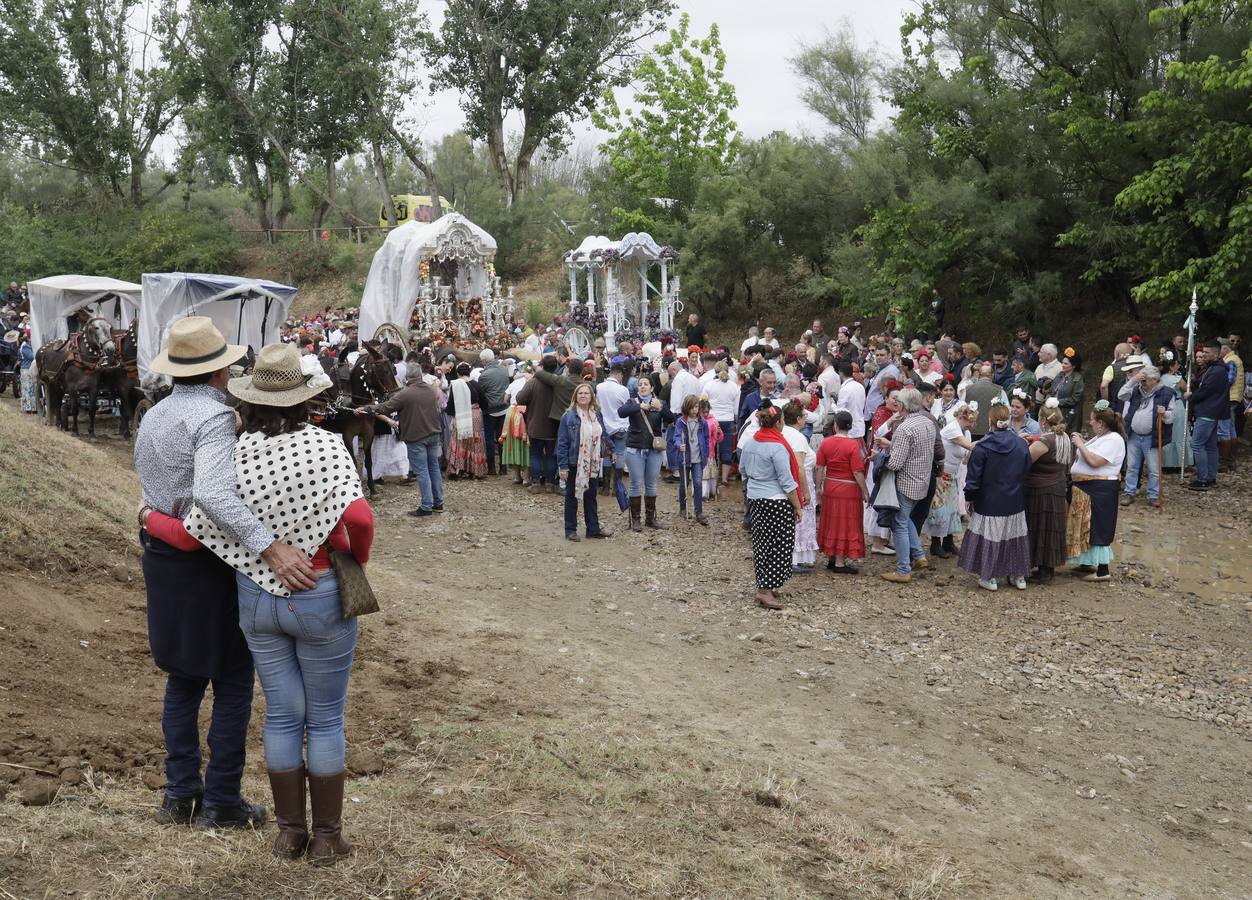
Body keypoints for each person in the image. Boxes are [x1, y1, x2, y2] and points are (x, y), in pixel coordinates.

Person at [145, 343, 372, 865]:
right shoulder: (325, 445)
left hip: (255, 596)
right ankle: (327, 837)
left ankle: (290, 832)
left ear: (249, 400)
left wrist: (147, 514)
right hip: (316, 589)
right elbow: (359, 520)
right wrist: (356, 559)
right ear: (305, 399)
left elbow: (200, 522)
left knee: (283, 717)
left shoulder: (234, 450)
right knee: (326, 718)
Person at [135, 318, 317, 832]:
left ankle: (179, 795)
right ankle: (221, 802)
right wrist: (271, 545)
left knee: (183, 679)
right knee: (233, 680)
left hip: (164, 553)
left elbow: (147, 487)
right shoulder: (216, 419)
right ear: (219, 372)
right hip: (207, 563)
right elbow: (213, 495)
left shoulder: (155, 414)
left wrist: (151, 518)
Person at [957, 402, 1032, 591]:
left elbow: (973, 477)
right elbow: (1026, 469)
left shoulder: (982, 446)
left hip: (989, 501)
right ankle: (1019, 576)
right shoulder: (1020, 444)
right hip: (1014, 499)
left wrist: (969, 497)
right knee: (1014, 537)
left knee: (990, 538)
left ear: (990, 421)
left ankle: (989, 576)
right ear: (1008, 420)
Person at [739, 405, 803, 610]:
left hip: (756, 497)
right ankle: (766, 589)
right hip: (776, 500)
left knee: (761, 543)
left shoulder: (751, 442)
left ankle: (765, 584)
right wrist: (797, 505)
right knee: (780, 545)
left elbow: (743, 470)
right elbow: (787, 481)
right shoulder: (777, 447)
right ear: (777, 423)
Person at [361, 368, 445, 517]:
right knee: (434, 468)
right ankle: (438, 503)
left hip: (416, 436)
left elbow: (384, 408)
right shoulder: (432, 390)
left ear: (408, 378)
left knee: (422, 471)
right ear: (420, 375)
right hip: (434, 433)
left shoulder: (406, 394)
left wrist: (366, 408)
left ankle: (426, 506)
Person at [880, 387, 936, 584]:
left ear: (902, 405)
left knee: (900, 523)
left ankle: (903, 569)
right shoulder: (927, 422)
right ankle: (919, 554)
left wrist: (881, 459)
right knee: (906, 518)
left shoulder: (905, 427)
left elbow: (895, 463)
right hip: (923, 479)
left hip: (906, 482)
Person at [1066, 403, 1127, 581]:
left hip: (1100, 489)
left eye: (1092, 420)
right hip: (1088, 487)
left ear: (1100, 422)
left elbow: (1095, 461)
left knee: (1099, 526)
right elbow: (1090, 452)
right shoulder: (1101, 437)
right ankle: (1086, 562)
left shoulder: (1114, 439)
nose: (1090, 423)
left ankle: (1103, 570)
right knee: (1086, 525)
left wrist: (1079, 444)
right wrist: (1083, 443)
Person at [1024, 399, 1073, 584]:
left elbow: (1025, 460)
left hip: (1040, 490)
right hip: (1058, 486)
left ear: (1042, 421)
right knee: (1052, 528)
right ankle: (1048, 568)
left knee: (1039, 527)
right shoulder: (1064, 437)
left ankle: (1041, 569)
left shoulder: (1044, 441)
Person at [556, 382, 613, 541]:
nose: (583, 396)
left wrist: (611, 450)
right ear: (575, 396)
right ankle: (570, 530)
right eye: (580, 393)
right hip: (575, 462)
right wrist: (563, 466)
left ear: (591, 396)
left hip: (593, 462)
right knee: (572, 497)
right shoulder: (568, 416)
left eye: (586, 393)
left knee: (591, 496)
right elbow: (562, 442)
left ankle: (593, 529)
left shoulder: (597, 414)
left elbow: (604, 435)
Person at [618, 376, 675, 531]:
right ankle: (636, 520)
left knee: (651, 484)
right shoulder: (632, 402)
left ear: (652, 388)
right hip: (634, 448)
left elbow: (672, 419)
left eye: (645, 384)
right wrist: (639, 407)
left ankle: (650, 519)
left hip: (653, 449)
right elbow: (621, 412)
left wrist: (662, 408)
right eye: (640, 385)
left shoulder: (659, 403)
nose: (642, 387)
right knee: (636, 483)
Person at [815, 410, 869, 573]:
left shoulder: (826, 442)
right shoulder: (853, 445)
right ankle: (840, 562)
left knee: (831, 521)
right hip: (848, 489)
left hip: (831, 485)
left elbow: (819, 467)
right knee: (846, 523)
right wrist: (865, 491)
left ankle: (831, 557)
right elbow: (857, 472)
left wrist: (818, 487)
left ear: (835, 425)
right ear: (850, 426)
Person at [1118, 363, 1175, 506]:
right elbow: (1121, 395)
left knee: (1154, 469)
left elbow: (1172, 417)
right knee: (1132, 466)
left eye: (1144, 380)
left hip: (1152, 437)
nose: (1142, 382)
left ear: (1154, 380)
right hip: (1134, 435)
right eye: (1141, 380)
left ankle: (1153, 495)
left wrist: (1165, 413)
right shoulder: (1136, 389)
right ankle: (1129, 492)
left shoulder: (1167, 393)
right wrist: (1133, 380)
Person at [924, 401, 975, 559]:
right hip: (942, 474)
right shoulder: (953, 429)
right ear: (962, 417)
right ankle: (935, 543)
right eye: (971, 421)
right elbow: (970, 447)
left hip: (953, 474)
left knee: (952, 509)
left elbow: (965, 457)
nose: (973, 424)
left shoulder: (964, 431)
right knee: (939, 509)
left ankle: (948, 541)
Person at [1186, 340, 1228, 491]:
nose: (1203, 355)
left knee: (1197, 444)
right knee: (1210, 446)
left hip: (1208, 411)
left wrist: (1190, 396)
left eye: (1207, 353)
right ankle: (1210, 477)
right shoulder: (1213, 369)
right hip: (1211, 411)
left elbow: (1206, 391)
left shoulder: (1217, 371)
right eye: (1203, 352)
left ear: (1216, 354)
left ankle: (1203, 479)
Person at [782, 401, 818, 572]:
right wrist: (804, 492)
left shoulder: (785, 433)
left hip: (792, 482)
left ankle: (799, 556)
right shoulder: (797, 437)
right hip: (799, 484)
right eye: (804, 416)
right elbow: (799, 467)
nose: (805, 419)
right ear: (797, 419)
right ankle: (794, 559)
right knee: (799, 521)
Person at [517, 355, 559, 492]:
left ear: (542, 366)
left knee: (535, 454)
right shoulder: (559, 382)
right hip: (553, 425)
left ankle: (535, 483)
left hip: (535, 425)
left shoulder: (534, 382)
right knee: (551, 456)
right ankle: (550, 483)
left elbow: (520, 399)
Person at [670, 394, 711, 525]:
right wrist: (678, 444)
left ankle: (699, 512)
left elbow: (706, 438)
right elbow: (676, 436)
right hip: (684, 458)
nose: (695, 410)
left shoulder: (702, 422)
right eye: (692, 407)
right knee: (684, 484)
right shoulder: (681, 422)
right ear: (687, 408)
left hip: (698, 458)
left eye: (697, 407)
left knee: (698, 483)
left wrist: (706, 452)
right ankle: (683, 509)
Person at [444, 363, 487, 478]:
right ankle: (475, 470)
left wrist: (451, 414)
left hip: (461, 415)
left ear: (458, 373)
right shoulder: (476, 385)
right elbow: (484, 403)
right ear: (469, 372)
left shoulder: (456, 385)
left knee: (459, 441)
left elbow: (451, 404)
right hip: (475, 415)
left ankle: (457, 469)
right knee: (475, 441)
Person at [596, 361, 631, 497]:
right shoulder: (623, 390)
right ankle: (617, 487)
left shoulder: (599, 387)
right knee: (620, 454)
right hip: (620, 426)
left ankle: (605, 487)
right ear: (619, 375)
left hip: (605, 426)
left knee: (606, 455)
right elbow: (626, 407)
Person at [705, 362, 741, 484]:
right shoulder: (734, 386)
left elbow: (703, 402)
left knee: (712, 448)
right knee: (727, 449)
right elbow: (736, 408)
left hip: (712, 419)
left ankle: (712, 476)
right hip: (728, 419)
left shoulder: (709, 385)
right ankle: (724, 478)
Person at [477, 349, 510, 476]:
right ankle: (503, 467)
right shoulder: (504, 370)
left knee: (490, 439)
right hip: (503, 408)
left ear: (484, 361)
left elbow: (481, 393)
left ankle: (491, 467)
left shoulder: (484, 376)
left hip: (490, 410)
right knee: (502, 438)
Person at [1157, 351, 1191, 471]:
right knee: (1178, 434)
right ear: (1172, 366)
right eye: (1176, 364)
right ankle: (1177, 462)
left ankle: (1165, 463)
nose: (1178, 366)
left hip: (1163, 407)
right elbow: (1186, 390)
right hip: (1176, 406)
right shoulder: (1178, 379)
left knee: (1166, 433)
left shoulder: (1159, 379)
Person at [963, 363, 1006, 438]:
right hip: (992, 431)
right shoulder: (999, 390)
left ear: (979, 375)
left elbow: (962, 409)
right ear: (993, 375)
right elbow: (1006, 410)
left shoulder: (967, 389)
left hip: (971, 430)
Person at [1220, 340, 1244, 471]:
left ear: (1225, 349)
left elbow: (1229, 380)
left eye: (1221, 349)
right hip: (1234, 397)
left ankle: (1225, 460)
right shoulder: (1235, 358)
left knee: (1226, 428)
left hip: (1229, 397)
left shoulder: (1230, 360)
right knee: (1231, 427)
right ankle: (1230, 460)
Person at [1050, 351, 1085, 433]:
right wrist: (1049, 399)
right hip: (1055, 412)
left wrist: (1057, 402)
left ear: (1073, 366)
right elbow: (1052, 390)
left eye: (1065, 364)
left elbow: (1075, 399)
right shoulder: (1060, 375)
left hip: (1069, 415)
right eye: (1062, 362)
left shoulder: (1078, 379)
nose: (1062, 365)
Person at [834, 360, 866, 439]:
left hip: (849, 431)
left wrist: (832, 405)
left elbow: (840, 411)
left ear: (840, 373)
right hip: (860, 427)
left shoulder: (845, 389)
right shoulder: (860, 386)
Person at [17, 330, 35, 413]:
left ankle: (32, 408)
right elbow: (31, 357)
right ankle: (27, 408)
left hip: (29, 369)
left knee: (31, 388)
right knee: (27, 389)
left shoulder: (27, 345)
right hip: (26, 369)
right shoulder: (25, 347)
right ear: (28, 338)